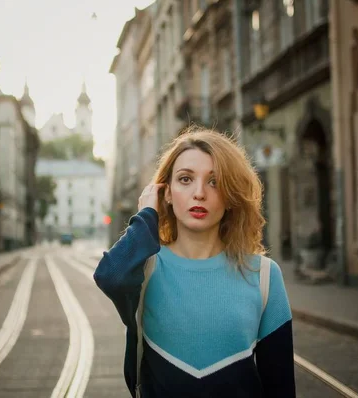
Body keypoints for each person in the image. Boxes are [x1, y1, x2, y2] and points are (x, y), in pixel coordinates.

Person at [93, 126, 295, 397]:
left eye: (214, 181)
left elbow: (280, 388)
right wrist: (146, 217)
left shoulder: (265, 276)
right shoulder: (145, 269)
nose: (199, 193)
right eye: (185, 179)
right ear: (166, 192)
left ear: (231, 195)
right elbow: (110, 276)